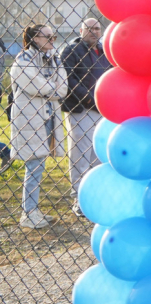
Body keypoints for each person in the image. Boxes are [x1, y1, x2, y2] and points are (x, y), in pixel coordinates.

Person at [11, 24, 67, 229]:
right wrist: (50, 88)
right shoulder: (22, 61)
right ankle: (28, 213)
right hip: (29, 120)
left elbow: (62, 89)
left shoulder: (54, 59)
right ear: (35, 39)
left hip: (48, 117)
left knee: (39, 166)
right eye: (48, 37)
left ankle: (33, 210)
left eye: (54, 36)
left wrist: (48, 89)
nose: (53, 40)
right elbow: (36, 86)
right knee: (33, 166)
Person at [60, 18, 110, 216]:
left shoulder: (104, 51)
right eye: (89, 29)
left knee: (98, 155)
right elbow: (68, 78)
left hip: (102, 110)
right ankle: (79, 198)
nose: (93, 32)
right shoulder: (71, 50)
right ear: (81, 30)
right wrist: (90, 99)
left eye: (97, 28)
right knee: (80, 155)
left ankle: (95, 195)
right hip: (82, 109)